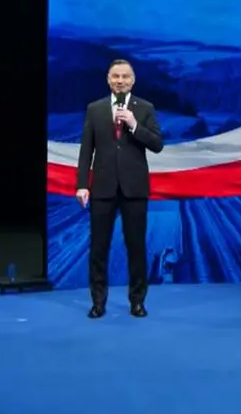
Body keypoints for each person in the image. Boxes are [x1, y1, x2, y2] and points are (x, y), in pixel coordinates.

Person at [76, 59, 164, 318]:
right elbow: (86, 151)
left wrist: (134, 125)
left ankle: (137, 301)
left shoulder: (145, 108)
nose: (120, 81)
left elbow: (157, 144)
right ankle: (98, 302)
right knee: (98, 248)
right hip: (102, 188)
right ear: (108, 80)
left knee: (136, 248)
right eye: (116, 76)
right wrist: (82, 185)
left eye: (125, 76)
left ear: (132, 81)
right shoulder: (95, 109)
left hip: (134, 189)